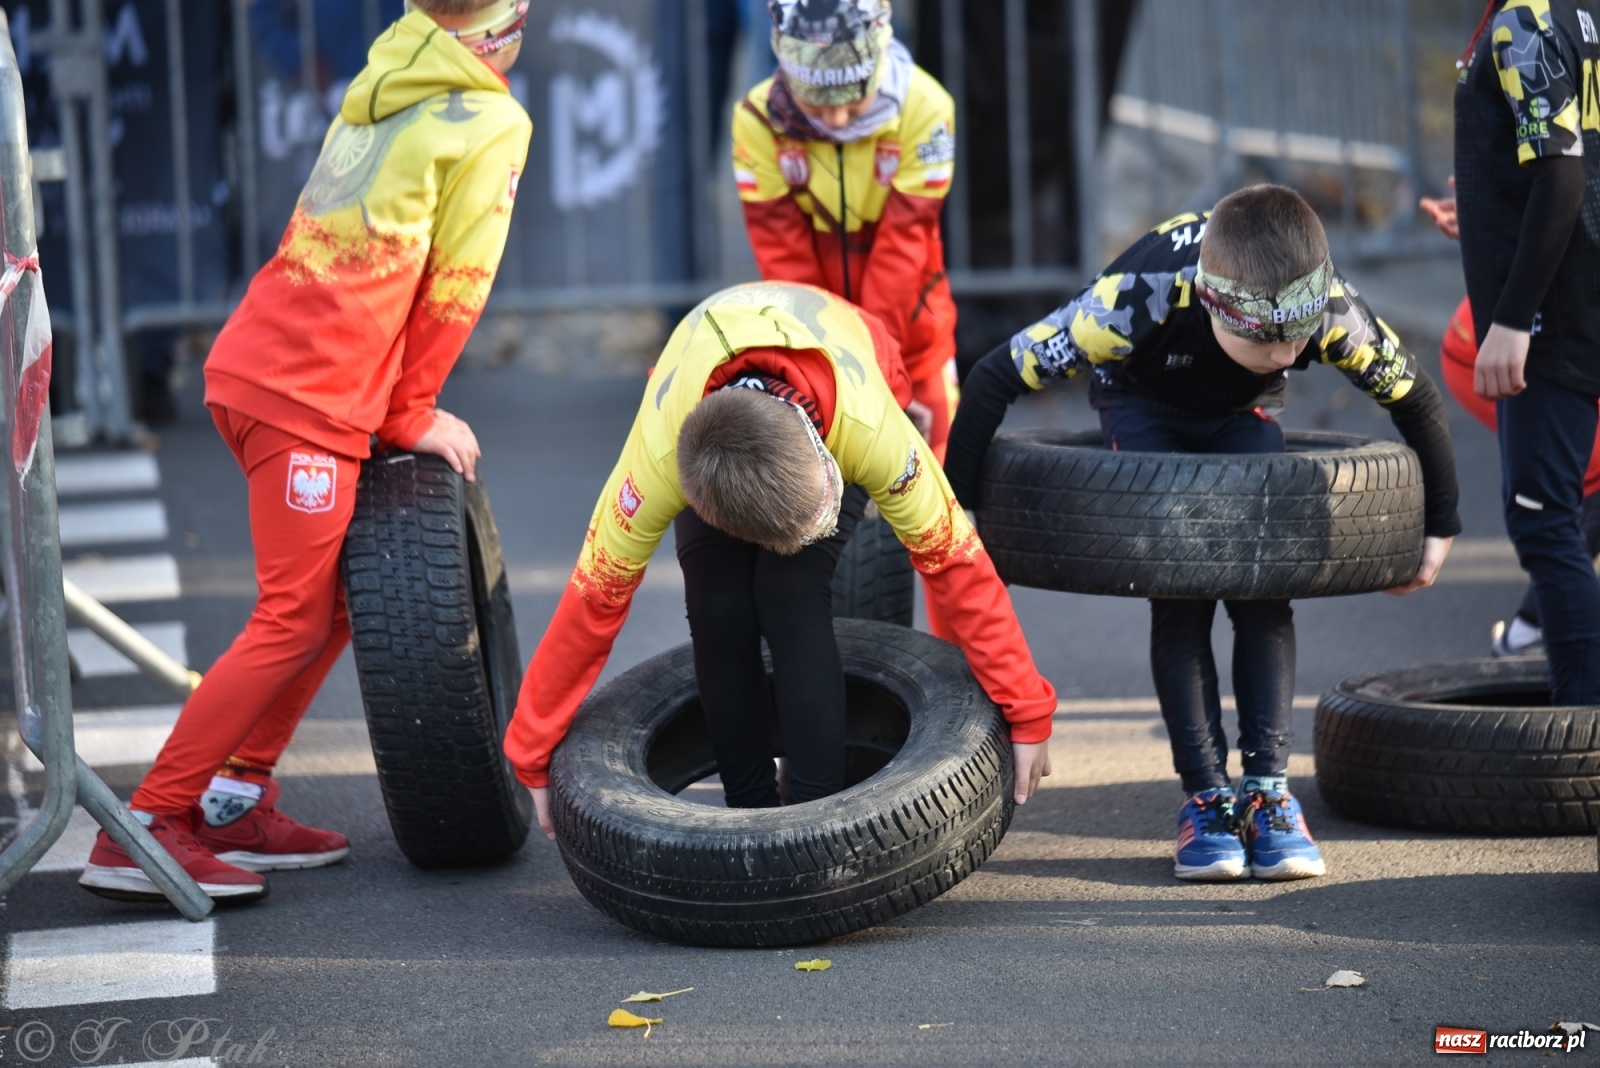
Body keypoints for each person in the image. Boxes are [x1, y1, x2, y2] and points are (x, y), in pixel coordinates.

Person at [79, 0, 533, 904]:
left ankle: (234, 798)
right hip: (307, 394)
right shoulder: (491, 118)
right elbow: (457, 286)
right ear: (504, 28)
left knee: (326, 609)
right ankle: (148, 826)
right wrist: (411, 411)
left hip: (268, 367)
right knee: (291, 618)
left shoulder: (387, 69)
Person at [944, 185, 1461, 881]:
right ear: (1216, 305)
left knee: (1262, 589)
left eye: (1298, 338)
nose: (1289, 355)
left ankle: (1269, 792)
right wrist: (962, 512)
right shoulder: (1133, 298)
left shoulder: (1326, 306)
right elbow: (991, 379)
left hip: (1242, 411)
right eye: (1267, 340)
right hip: (1142, 401)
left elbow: (1416, 398)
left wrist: (1439, 524)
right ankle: (1206, 797)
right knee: (1181, 592)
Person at [502, 281, 1057, 830]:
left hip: (848, 353)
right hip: (704, 381)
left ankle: (818, 819)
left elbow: (957, 564)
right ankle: (749, 814)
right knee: (718, 605)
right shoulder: (655, 462)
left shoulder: (870, 430)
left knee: (788, 592)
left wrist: (1027, 709)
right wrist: (531, 751)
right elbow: (592, 604)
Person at [731, 0, 957, 457]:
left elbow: (903, 247)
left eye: (854, 97)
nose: (835, 119)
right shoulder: (755, 120)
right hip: (817, 349)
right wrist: (832, 366)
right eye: (815, 102)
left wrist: (875, 368)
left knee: (940, 478)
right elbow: (787, 262)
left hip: (914, 340)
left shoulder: (927, 106)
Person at [1455, 0, 1600, 704]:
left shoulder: (1524, 18)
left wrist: (1512, 320)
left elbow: (1563, 173)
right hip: (1576, 288)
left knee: (1545, 525)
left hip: (1555, 314)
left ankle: (1582, 725)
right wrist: (1488, 198)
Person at [1422, 189, 1600, 659]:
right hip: (1505, 344)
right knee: (1575, 500)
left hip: (1554, 330)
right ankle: (1529, 631)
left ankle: (1542, 627)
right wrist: (1492, 208)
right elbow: (1560, 186)